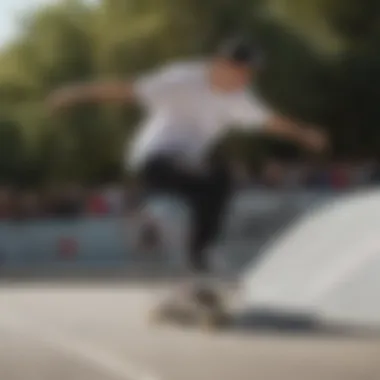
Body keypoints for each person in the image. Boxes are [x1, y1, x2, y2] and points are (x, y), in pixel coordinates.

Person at [48, 37, 328, 285]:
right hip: (153, 158)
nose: (244, 80)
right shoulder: (181, 79)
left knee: (220, 180)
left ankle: (196, 253)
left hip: (187, 166)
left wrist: (303, 133)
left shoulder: (240, 99)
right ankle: (173, 235)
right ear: (221, 63)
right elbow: (126, 90)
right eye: (240, 72)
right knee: (206, 177)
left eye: (249, 75)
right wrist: (74, 93)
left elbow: (269, 122)